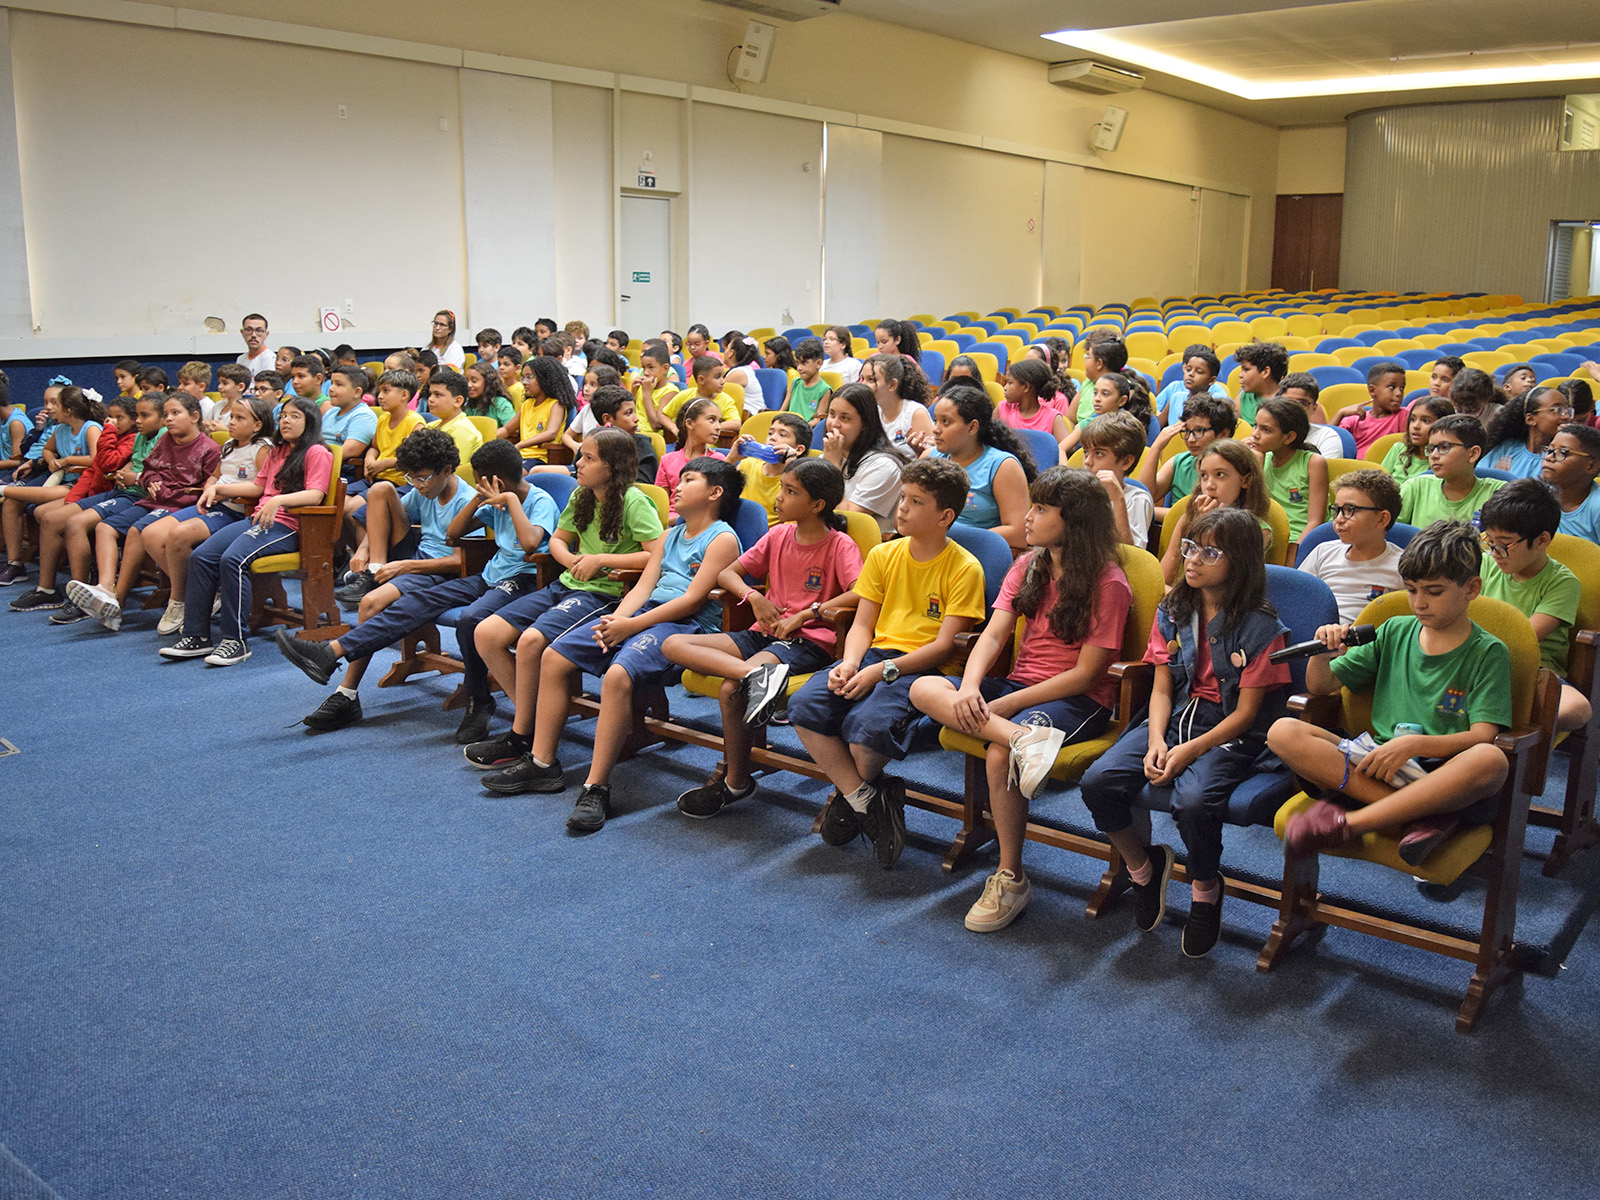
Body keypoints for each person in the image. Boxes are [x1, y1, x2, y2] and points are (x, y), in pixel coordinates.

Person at [910, 468, 1132, 932]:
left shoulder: (1108, 582)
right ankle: (1021, 738)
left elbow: (1087, 674)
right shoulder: (1028, 565)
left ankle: (1010, 876)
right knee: (923, 688)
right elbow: (992, 637)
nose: (1027, 517)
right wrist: (970, 688)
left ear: (1074, 521)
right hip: (1018, 688)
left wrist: (1007, 707)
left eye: (1041, 509)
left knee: (999, 755)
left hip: (1077, 699)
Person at [487, 458, 745, 830]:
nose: (677, 486)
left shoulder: (722, 538)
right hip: (643, 615)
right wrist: (617, 621)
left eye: (689, 480)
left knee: (617, 675)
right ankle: (542, 763)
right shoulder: (671, 533)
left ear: (715, 493)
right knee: (555, 655)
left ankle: (596, 787)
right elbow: (644, 586)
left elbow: (691, 601)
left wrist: (631, 625)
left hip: (684, 626)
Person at [1079, 507, 1291, 957]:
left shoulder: (1262, 627)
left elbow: (1246, 715)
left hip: (1227, 730)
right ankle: (1143, 869)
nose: (1191, 559)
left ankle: (1205, 890)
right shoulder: (1173, 610)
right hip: (1173, 717)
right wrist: (1157, 740)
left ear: (1240, 562)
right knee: (1098, 782)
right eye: (1191, 547)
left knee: (1194, 803)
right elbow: (1161, 688)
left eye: (1209, 553)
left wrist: (1189, 750)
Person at [276, 436, 560, 735]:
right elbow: (454, 534)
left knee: (469, 619)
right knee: (417, 601)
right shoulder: (489, 500)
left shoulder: (539, 500)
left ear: (497, 481)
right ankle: (331, 652)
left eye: (480, 483)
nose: (477, 487)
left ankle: (478, 700)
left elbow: (530, 544)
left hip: (523, 578)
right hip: (489, 575)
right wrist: (479, 500)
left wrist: (511, 501)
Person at [1272, 520, 1514, 869]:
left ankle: (1353, 823)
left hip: (1442, 771)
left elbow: (1483, 735)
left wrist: (1415, 745)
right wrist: (1324, 653)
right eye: (1412, 590)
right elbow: (1322, 687)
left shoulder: (1488, 652)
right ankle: (1423, 816)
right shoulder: (1395, 630)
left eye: (1434, 592)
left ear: (1472, 588)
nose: (1419, 603)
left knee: (1491, 761)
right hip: (1377, 761)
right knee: (1283, 731)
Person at [789, 457, 986, 869]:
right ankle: (868, 801)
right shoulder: (883, 553)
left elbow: (945, 647)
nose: (903, 508)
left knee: (865, 736)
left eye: (916, 502)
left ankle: (851, 797)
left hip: (924, 669)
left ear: (945, 516)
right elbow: (863, 623)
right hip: (874, 655)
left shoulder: (965, 568)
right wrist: (850, 662)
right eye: (902, 498)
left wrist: (881, 672)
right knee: (804, 706)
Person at [666, 458, 863, 818]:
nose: (779, 497)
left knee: (731, 689)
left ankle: (735, 782)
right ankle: (755, 676)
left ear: (817, 505)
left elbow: (859, 593)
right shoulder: (778, 535)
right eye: (782, 488)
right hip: (765, 634)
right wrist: (753, 597)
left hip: (807, 640)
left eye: (790, 492)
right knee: (673, 644)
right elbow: (728, 574)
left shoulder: (840, 545)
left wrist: (808, 613)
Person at [464, 429, 664, 769]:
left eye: (589, 458)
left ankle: (522, 734)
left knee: (530, 642)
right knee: (486, 633)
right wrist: (570, 559)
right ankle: (534, 720)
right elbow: (558, 540)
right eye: (580, 455)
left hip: (603, 592)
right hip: (567, 582)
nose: (578, 464)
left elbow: (656, 554)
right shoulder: (581, 496)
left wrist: (601, 559)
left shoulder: (633, 501)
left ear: (612, 467)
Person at [158, 395, 333, 667]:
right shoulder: (277, 451)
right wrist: (218, 489)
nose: (286, 420)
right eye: (283, 415)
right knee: (201, 556)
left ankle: (235, 640)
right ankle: (196, 636)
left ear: (310, 422)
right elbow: (257, 487)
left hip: (292, 525)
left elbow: (315, 494)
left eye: (295, 416)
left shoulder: (317, 452)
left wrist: (278, 500)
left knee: (233, 560)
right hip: (259, 519)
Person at [67, 391, 220, 631]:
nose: (169, 419)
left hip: (180, 505)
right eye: (166, 414)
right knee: (106, 527)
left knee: (138, 531)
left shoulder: (209, 449)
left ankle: (119, 602)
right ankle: (109, 593)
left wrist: (164, 490)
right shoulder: (166, 440)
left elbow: (206, 490)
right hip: (154, 501)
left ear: (194, 417)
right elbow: (148, 469)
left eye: (175, 413)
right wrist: (151, 480)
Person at [139, 396, 273, 635]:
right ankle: (201, 593)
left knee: (178, 535)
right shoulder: (230, 445)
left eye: (240, 418)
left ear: (257, 425)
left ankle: (180, 600)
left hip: (237, 511)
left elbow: (262, 487)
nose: (232, 422)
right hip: (215, 504)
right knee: (150, 534)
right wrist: (210, 487)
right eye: (232, 417)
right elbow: (215, 475)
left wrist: (221, 491)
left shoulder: (262, 448)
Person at [8, 393, 144, 615]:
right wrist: (73, 499)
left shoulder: (129, 438)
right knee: (49, 517)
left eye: (119, 418)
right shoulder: (117, 436)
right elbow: (95, 469)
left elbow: (106, 462)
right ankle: (46, 589)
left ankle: (81, 593)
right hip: (104, 491)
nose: (112, 422)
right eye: (110, 417)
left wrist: (108, 432)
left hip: (124, 496)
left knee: (72, 522)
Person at [1477, 480, 1591, 732]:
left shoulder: (1562, 583)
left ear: (1542, 540)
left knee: (1577, 709)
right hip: (1478, 659)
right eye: (1490, 541)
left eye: (1504, 544)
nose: (1495, 553)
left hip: (1531, 670)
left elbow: (1524, 638)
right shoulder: (1484, 565)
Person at [0, 384, 104, 586]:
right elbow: (47, 450)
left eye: (57, 404)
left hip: (82, 485)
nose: (50, 408)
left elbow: (96, 459)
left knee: (43, 502)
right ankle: (15, 564)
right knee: (12, 502)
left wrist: (67, 460)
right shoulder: (60, 428)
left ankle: (4, 489)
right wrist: (51, 460)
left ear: (69, 410)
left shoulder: (91, 428)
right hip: (63, 479)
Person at [919, 383, 1034, 548]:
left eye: (945, 422)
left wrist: (950, 539)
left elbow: (1018, 533)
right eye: (936, 420)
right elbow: (904, 515)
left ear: (972, 427)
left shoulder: (1003, 466)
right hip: (928, 546)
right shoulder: (929, 458)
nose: (936, 429)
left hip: (976, 552)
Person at [1159, 438, 1272, 587]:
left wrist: (1210, 526)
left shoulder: (1257, 531)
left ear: (1246, 480)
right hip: (1180, 595)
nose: (1209, 486)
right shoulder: (1189, 519)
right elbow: (1162, 580)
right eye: (1204, 476)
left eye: (1220, 475)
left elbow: (1225, 588)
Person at [1299, 468, 1406, 624]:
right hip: (1316, 632)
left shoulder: (1402, 567)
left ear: (1382, 519)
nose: (1339, 519)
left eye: (1350, 510)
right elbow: (1298, 598)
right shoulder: (1323, 552)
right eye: (1337, 510)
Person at [819, 382, 904, 533]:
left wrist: (833, 469)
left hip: (862, 544)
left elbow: (846, 521)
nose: (834, 424)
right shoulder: (831, 454)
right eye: (831, 414)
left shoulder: (884, 466)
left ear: (865, 424)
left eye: (845, 418)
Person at [1397, 413, 1503, 528]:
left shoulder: (1497, 494)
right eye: (1431, 449)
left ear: (1473, 454)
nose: (1434, 455)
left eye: (1444, 447)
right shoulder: (1416, 487)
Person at [1140, 394, 1235, 521]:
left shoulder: (1232, 471)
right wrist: (1156, 447)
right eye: (1187, 431)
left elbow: (1210, 514)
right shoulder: (1179, 462)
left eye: (1199, 431)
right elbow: (1143, 497)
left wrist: (1152, 511)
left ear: (1223, 434)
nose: (1190, 439)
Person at [1250, 396, 1328, 544]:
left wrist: (1295, 551)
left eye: (1266, 430)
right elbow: (1252, 512)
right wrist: (1255, 463)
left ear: (1289, 437)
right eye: (1255, 426)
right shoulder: (1260, 460)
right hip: (1267, 539)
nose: (1255, 434)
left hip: (1301, 541)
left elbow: (1315, 521)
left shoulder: (1313, 463)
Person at [1080, 411, 1153, 550]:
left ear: (1126, 462)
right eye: (1085, 452)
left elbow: (1131, 556)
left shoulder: (1136, 499)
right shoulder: (1078, 493)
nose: (1087, 461)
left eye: (1099, 453)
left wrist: (1118, 500)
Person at [728, 412, 808, 524]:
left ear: (798, 450)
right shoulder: (747, 464)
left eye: (782, 435)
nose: (773, 438)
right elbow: (714, 492)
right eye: (770, 433)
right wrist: (731, 459)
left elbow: (793, 523)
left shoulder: (797, 483)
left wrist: (791, 467)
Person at [1484, 385, 1573, 479]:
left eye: (1567, 410)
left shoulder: (1564, 457)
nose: (1566, 416)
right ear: (1530, 419)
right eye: (1556, 410)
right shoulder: (1506, 448)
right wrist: (1496, 477)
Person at [1060, 368, 1153, 457]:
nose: (1097, 399)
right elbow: (1061, 449)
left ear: (1122, 401)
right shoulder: (1087, 423)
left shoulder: (1129, 426)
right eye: (1095, 393)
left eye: (1105, 394)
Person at [656, 397, 726, 513]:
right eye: (711, 420)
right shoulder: (667, 460)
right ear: (689, 423)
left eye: (720, 421)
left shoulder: (718, 460)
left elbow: (716, 507)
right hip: (669, 519)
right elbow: (660, 505)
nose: (718, 427)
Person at [861, 352, 933, 459]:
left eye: (871, 380)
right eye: (863, 379)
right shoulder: (872, 411)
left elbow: (930, 460)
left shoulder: (916, 413)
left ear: (892, 385)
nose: (863, 385)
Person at [508, 355, 576, 465]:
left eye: (529, 377)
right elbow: (507, 429)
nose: (524, 382)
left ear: (545, 379)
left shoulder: (555, 405)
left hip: (539, 458)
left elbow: (551, 433)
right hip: (520, 455)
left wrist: (521, 444)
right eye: (523, 377)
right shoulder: (527, 404)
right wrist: (487, 437)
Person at [996, 357, 1072, 457]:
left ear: (1026, 387)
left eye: (1010, 383)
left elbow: (1068, 449)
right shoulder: (1001, 408)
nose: (1005, 388)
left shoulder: (1053, 418)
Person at [1334, 361, 1410, 456]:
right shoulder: (1354, 420)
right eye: (1392, 387)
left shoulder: (1405, 416)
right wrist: (1340, 413)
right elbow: (1326, 442)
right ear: (1372, 390)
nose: (1399, 393)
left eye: (1402, 388)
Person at [1540, 422, 1600, 542]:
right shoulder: (1537, 498)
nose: (1549, 457)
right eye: (1549, 450)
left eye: (1563, 453)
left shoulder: (1597, 508)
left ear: (1591, 466)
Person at [659, 356, 740, 440]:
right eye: (717, 377)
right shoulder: (684, 395)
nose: (723, 381)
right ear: (701, 380)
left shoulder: (725, 400)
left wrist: (709, 426)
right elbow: (663, 415)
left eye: (723, 376)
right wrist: (673, 428)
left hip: (710, 446)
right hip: (684, 444)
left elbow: (736, 423)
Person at [1381, 395, 1455, 484]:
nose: (1416, 426)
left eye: (1425, 421)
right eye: (1413, 419)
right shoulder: (1399, 448)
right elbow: (1379, 483)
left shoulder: (1445, 460)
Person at [1156, 345, 1230, 426]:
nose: (1191, 374)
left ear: (1211, 380)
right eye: (1188, 370)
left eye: (1199, 372)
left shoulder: (1216, 403)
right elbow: (1157, 427)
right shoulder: (1176, 398)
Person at [1277, 373, 1345, 460]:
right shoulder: (1265, 432)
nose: (1294, 408)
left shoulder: (1326, 437)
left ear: (1314, 408)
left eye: (1302, 403)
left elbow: (1324, 468)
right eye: (1287, 402)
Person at [1233, 340, 1289, 423]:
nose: (1240, 375)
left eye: (1246, 369)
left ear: (1265, 372)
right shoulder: (1243, 396)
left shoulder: (1287, 402)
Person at [630, 341, 679, 436]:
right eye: (643, 368)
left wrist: (647, 393)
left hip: (650, 437)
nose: (646, 372)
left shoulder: (670, 391)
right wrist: (633, 392)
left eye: (651, 367)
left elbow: (656, 425)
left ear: (665, 369)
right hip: (634, 432)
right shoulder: (643, 387)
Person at [784, 337, 832, 424]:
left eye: (804, 363)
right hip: (788, 426)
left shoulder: (824, 390)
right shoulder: (795, 383)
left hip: (806, 429)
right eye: (797, 363)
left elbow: (817, 420)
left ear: (818, 363)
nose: (799, 368)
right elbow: (782, 411)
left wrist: (801, 429)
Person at [464, 361, 517, 438]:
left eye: (474, 381)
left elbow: (514, 433)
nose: (469, 385)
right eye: (467, 381)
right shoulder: (469, 405)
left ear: (487, 382)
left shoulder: (500, 403)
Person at [724, 336, 767, 416]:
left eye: (727, 348)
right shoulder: (742, 370)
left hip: (751, 418)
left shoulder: (739, 373)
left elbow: (717, 392)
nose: (724, 352)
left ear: (731, 353)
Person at [237, 313, 274, 377]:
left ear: (266, 334)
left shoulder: (270, 359)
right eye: (249, 330)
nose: (253, 335)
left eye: (259, 331)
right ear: (242, 333)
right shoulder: (241, 359)